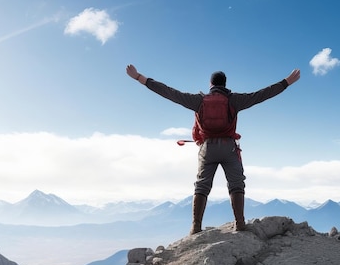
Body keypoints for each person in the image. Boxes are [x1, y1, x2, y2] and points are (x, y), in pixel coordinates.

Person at [126, 64, 300, 234]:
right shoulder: (235, 100)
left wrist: (139, 77)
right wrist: (286, 82)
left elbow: (169, 92)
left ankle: (196, 226)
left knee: (201, 186)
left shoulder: (198, 101)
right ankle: (240, 223)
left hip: (207, 149)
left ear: (210, 85)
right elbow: (261, 95)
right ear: (225, 84)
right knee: (236, 184)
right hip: (228, 148)